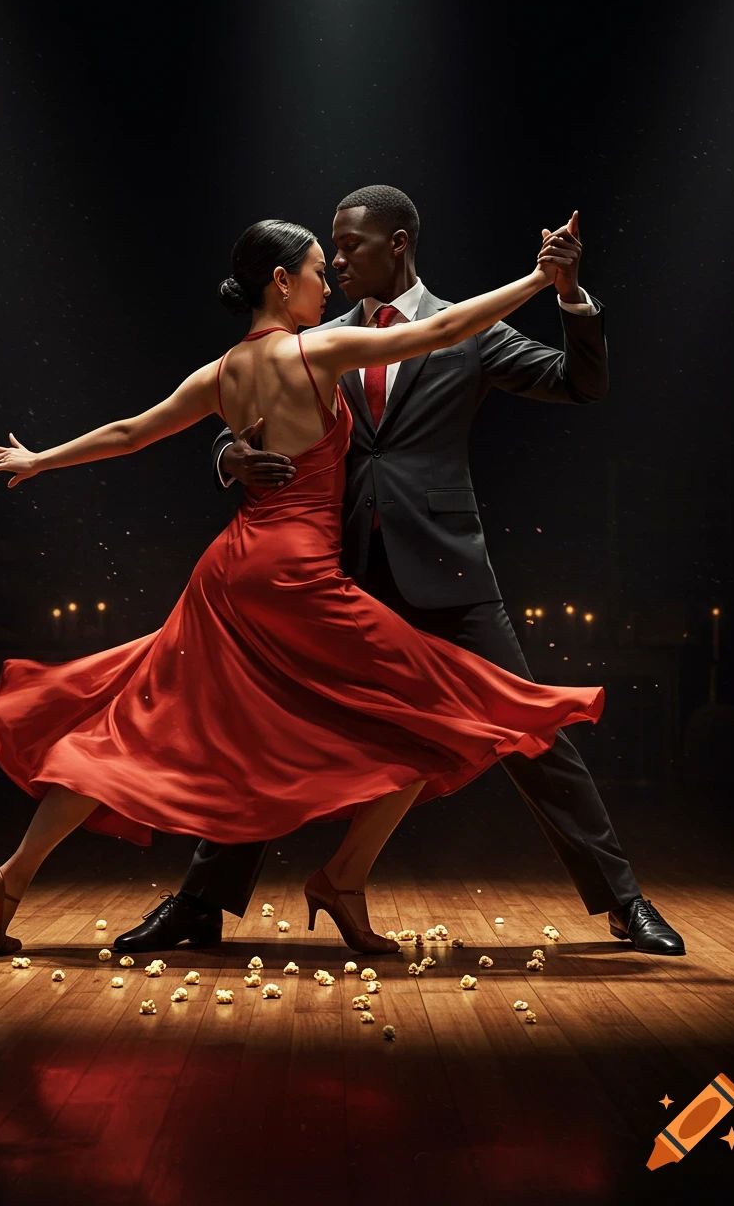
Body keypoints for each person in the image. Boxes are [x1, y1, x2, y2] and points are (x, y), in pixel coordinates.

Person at [0, 215, 605, 958]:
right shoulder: (319, 351)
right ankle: (343, 877)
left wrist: (42, 459)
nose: (326, 282)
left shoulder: (222, 372)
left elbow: (128, 432)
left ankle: (8, 879)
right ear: (281, 282)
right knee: (437, 714)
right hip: (296, 578)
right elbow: (442, 331)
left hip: (228, 574)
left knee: (132, 725)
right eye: (314, 271)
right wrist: (538, 280)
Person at [113, 187, 685, 959]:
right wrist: (227, 457)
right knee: (267, 731)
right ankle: (199, 904)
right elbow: (230, 406)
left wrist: (570, 295)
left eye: (350, 247)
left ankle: (623, 903)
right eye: (332, 252)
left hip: (447, 569)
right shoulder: (316, 334)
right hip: (336, 574)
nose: (337, 260)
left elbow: (581, 384)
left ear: (400, 243)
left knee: (533, 732)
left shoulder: (468, 327)